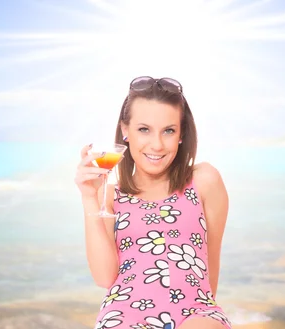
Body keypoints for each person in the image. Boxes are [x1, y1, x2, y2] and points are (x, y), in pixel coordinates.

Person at [74, 76, 232, 329]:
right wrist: (89, 198)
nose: (157, 145)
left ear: (181, 134)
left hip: (195, 312)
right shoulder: (111, 197)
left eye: (168, 130)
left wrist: (203, 314)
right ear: (125, 130)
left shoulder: (204, 181)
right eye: (144, 129)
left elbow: (211, 260)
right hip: (123, 314)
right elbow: (104, 278)